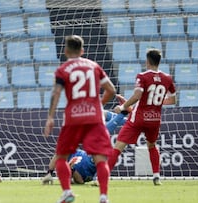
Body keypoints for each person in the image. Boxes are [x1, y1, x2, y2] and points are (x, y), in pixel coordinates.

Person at [44, 35, 116, 203]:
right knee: (100, 158)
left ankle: (67, 193)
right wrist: (99, 103)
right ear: (82, 50)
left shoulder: (63, 69)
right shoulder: (94, 67)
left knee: (62, 156)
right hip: (94, 118)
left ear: (66, 51)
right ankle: (104, 197)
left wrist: (50, 117)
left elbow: (56, 93)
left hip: (73, 118)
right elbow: (111, 90)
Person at [108, 48, 176, 186]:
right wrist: (153, 104)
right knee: (152, 145)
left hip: (138, 117)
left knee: (119, 145)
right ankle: (156, 176)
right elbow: (172, 100)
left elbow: (137, 96)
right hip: (155, 118)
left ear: (147, 61)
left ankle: (104, 176)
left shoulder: (142, 76)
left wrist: (122, 107)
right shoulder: (167, 78)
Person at [42, 101, 130, 186]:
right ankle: (124, 116)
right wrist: (71, 170)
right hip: (94, 160)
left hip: (86, 149)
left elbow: (58, 154)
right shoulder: (80, 174)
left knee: (101, 117)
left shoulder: (68, 155)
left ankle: (127, 119)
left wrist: (49, 173)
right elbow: (80, 181)